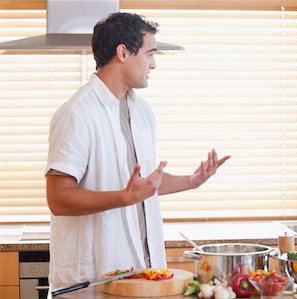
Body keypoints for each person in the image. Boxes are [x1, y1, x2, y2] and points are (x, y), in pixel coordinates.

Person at [45, 12, 230, 284]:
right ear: (123, 53)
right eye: (150, 54)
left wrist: (191, 181)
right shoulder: (77, 114)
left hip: (143, 274)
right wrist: (124, 197)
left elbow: (141, 185)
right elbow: (58, 198)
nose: (153, 64)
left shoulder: (141, 111)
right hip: (94, 277)